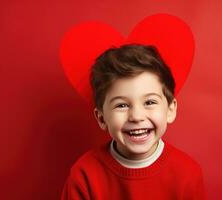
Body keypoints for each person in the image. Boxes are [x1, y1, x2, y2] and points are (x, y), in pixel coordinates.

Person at [61, 44, 206, 200]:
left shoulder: (187, 174)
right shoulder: (84, 174)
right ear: (102, 118)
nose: (136, 116)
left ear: (170, 110)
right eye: (122, 105)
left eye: (149, 102)